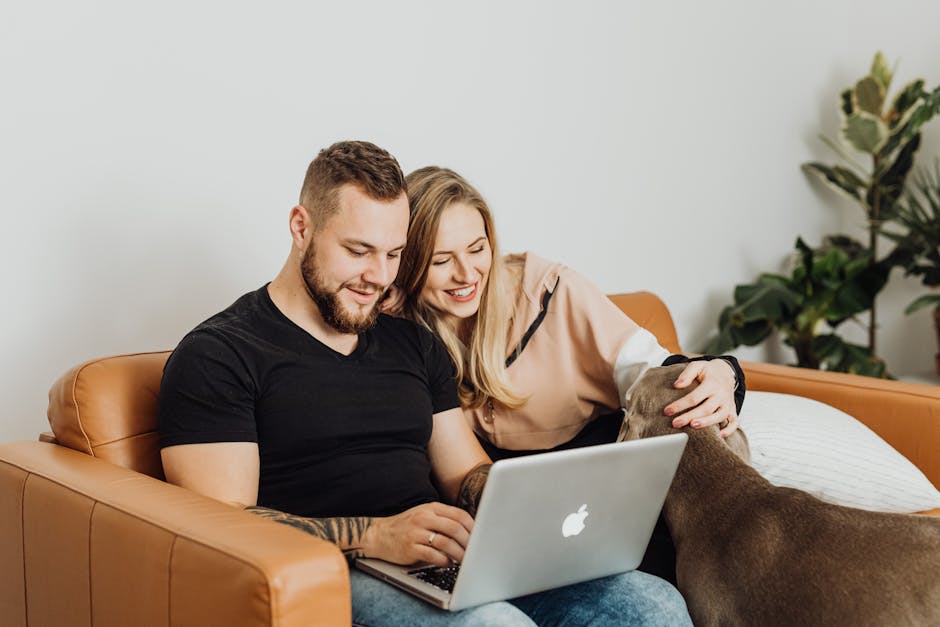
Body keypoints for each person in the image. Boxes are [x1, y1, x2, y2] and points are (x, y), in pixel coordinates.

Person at [157, 141, 693, 626]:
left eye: (393, 255)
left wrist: (535, 512)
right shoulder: (220, 355)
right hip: (335, 574)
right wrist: (375, 535)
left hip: (442, 562)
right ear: (301, 227)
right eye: (358, 251)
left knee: (650, 604)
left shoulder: (412, 345)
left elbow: (465, 474)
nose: (378, 276)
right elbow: (221, 526)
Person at [388, 166, 746, 581]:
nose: (467, 274)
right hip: (521, 524)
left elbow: (653, 372)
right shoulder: (402, 334)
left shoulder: (550, 292)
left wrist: (725, 372)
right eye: (441, 260)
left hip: (610, 490)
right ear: (409, 264)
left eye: (477, 249)